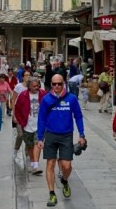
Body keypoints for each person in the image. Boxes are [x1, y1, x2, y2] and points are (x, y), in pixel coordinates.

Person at [37, 74, 86, 207]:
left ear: (64, 83)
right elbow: (41, 119)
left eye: (59, 83)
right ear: (51, 84)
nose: (57, 86)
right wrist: (40, 137)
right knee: (50, 164)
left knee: (66, 166)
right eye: (54, 84)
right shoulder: (46, 99)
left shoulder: (72, 98)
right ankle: (52, 194)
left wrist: (81, 134)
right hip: (51, 134)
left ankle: (64, 180)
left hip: (66, 135)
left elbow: (78, 116)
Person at [14, 76, 47, 175]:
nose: (36, 88)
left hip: (39, 125)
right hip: (27, 125)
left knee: (37, 143)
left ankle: (36, 165)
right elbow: (17, 110)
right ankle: (33, 163)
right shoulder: (23, 95)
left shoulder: (43, 94)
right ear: (29, 86)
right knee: (29, 146)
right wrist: (21, 122)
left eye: (37, 85)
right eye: (34, 86)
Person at [11, 70, 32, 158]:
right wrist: (14, 113)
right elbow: (13, 99)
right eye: (26, 75)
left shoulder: (32, 87)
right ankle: (16, 149)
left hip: (29, 115)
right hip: (19, 114)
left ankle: (27, 152)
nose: (28, 77)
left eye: (29, 75)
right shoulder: (18, 86)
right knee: (20, 134)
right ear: (23, 77)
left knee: (28, 134)